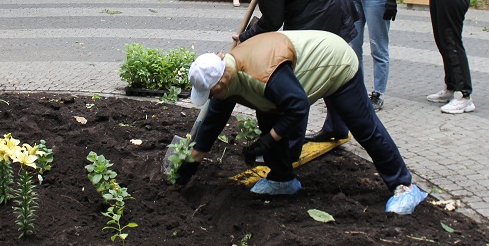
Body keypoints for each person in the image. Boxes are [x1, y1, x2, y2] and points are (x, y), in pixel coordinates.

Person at [176, 30, 427, 215]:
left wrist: (268, 140)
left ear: (221, 83)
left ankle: (403, 185)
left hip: (333, 63)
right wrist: (188, 166)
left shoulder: (261, 72)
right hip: (285, 88)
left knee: (365, 127)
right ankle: (282, 179)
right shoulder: (224, 74)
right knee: (268, 120)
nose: (211, 98)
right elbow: (212, 122)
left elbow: (297, 108)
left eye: (211, 93)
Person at [210, 0, 358, 144]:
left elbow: (272, 20)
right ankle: (336, 126)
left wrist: (246, 36)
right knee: (330, 70)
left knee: (299, 78)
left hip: (316, 12)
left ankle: (290, 145)